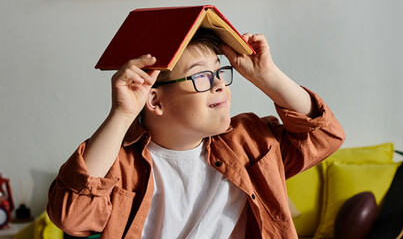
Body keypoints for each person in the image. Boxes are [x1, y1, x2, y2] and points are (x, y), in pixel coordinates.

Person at [47, 28, 344, 239]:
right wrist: (122, 114)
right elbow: (72, 217)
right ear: (155, 100)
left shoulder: (249, 139)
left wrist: (267, 77)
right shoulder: (119, 162)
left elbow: (325, 136)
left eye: (219, 72)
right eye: (201, 75)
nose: (219, 85)